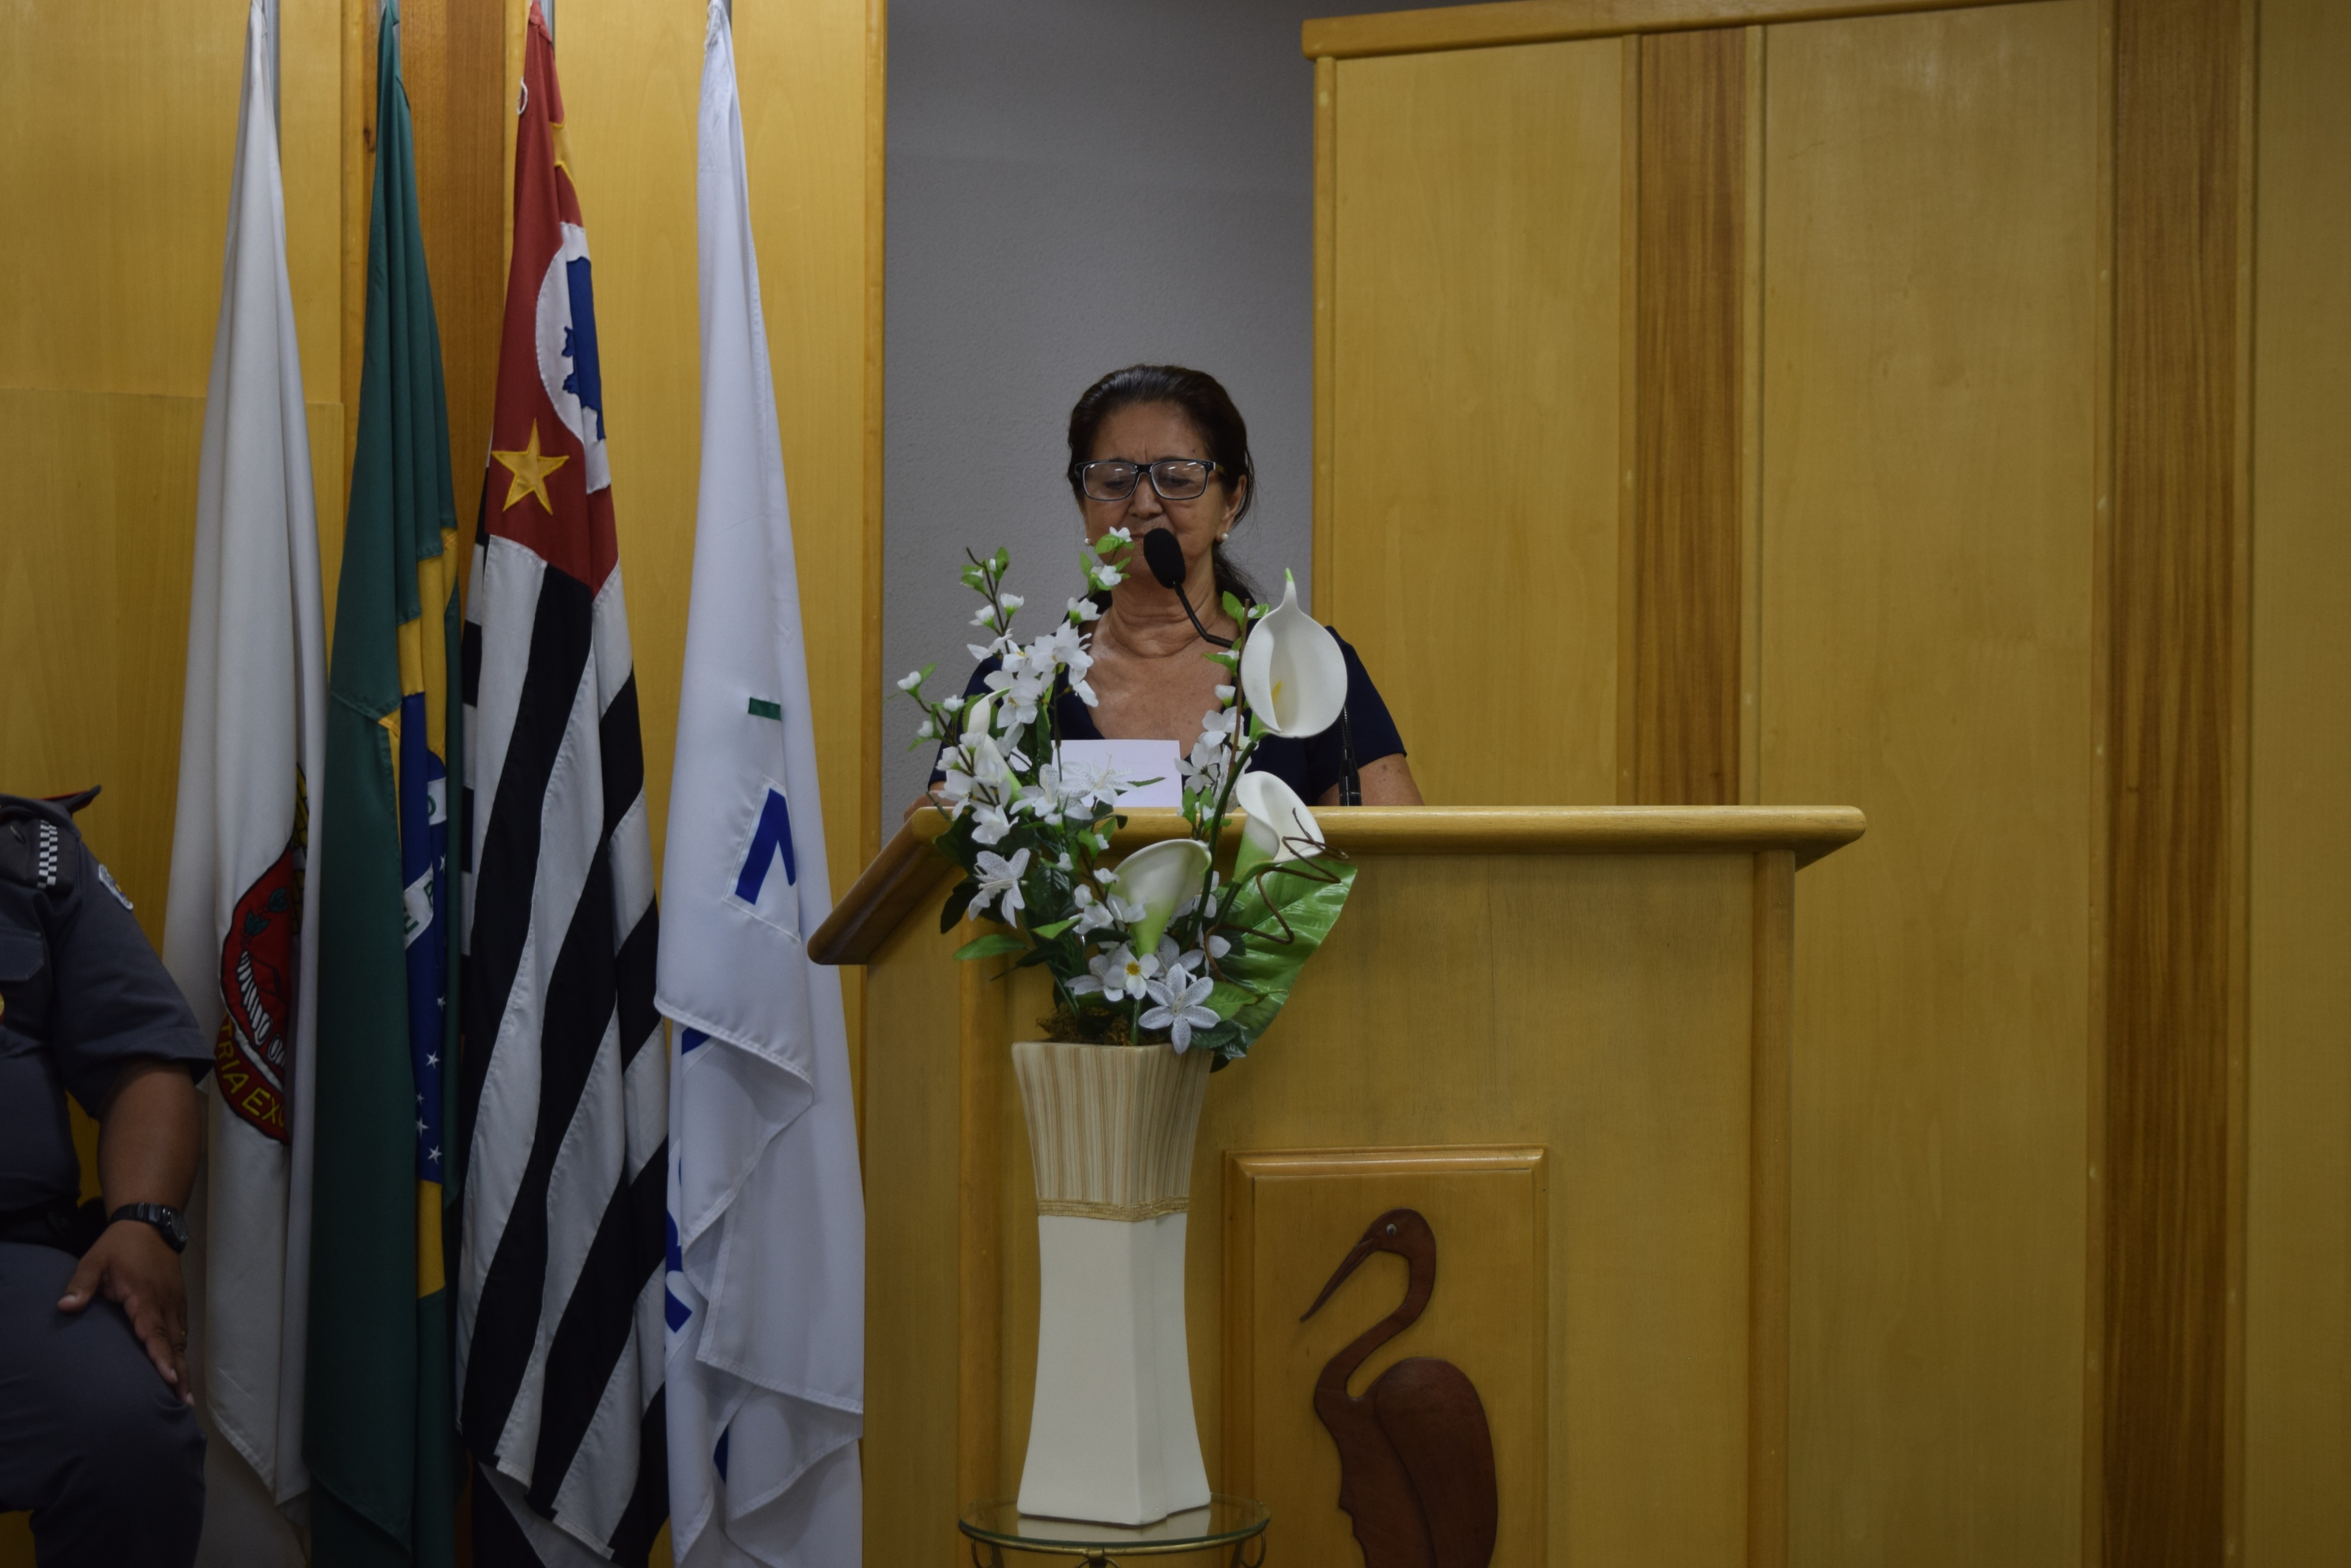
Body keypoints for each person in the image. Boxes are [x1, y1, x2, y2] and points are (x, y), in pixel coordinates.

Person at [933, 363, 1422, 809]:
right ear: (1084, 504)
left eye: (1178, 479)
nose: (1144, 504)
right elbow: (942, 851)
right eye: (1114, 481)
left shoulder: (1307, 668)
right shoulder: (1010, 691)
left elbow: (1397, 860)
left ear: (1231, 503)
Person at [0, 790, 209, 1567]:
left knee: (128, 1431)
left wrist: (146, 1221)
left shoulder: (28, 857)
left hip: (13, 1263)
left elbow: (143, 1056)